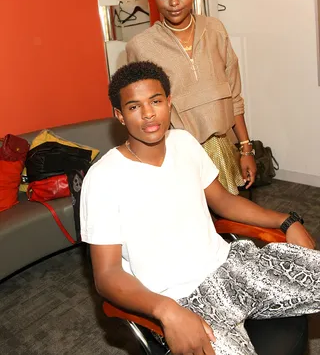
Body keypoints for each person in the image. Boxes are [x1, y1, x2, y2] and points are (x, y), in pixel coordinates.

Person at [80, 61, 319, 355]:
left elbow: (223, 201)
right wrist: (166, 310)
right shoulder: (103, 178)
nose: (148, 113)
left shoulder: (184, 142)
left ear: (169, 102)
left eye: (156, 101)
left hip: (231, 267)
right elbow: (107, 275)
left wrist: (287, 221)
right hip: (182, 301)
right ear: (119, 115)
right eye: (133, 107)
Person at [126, 0, 256, 195]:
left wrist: (246, 148)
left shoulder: (216, 30)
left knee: (229, 226)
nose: (174, 1)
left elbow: (234, 97)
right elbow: (142, 115)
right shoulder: (141, 47)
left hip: (224, 148)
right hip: (177, 157)